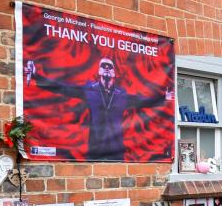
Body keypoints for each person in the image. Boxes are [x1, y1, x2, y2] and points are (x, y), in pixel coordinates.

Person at [25, 58, 171, 161]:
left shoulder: (122, 95)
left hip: (116, 149)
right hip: (95, 147)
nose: (107, 69)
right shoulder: (89, 90)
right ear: (99, 71)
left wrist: (165, 98)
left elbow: (143, 102)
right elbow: (63, 88)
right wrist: (36, 76)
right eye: (104, 66)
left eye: (110, 67)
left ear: (114, 73)